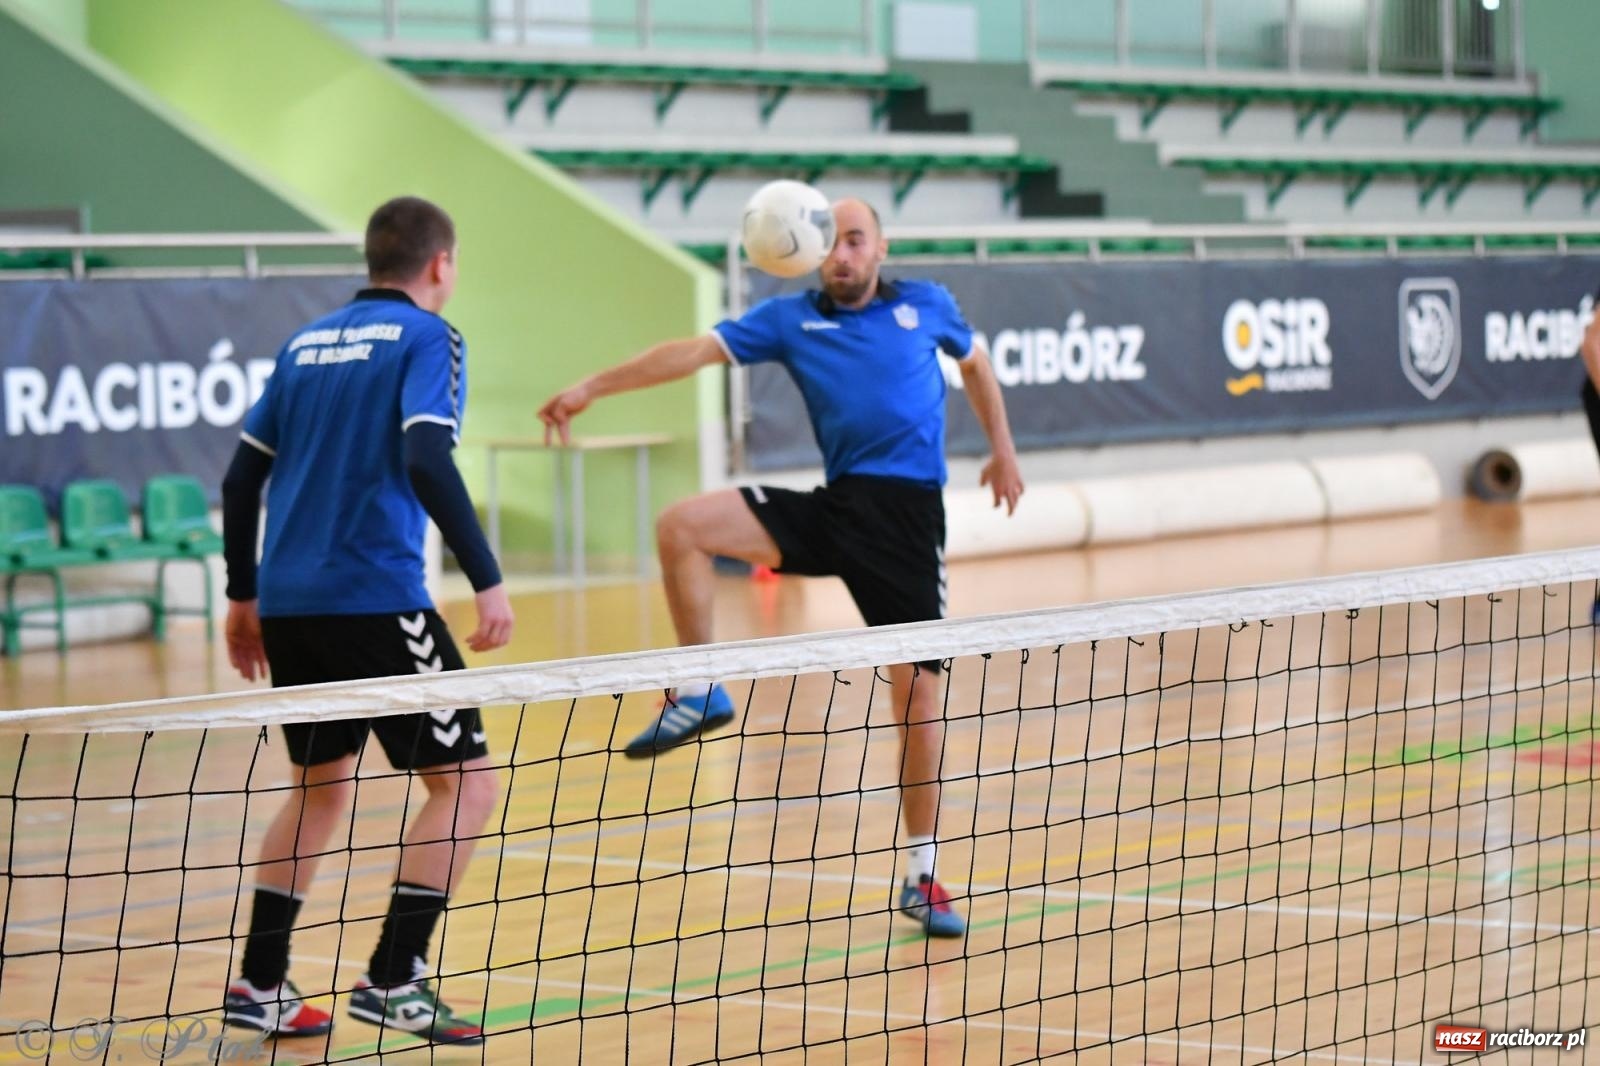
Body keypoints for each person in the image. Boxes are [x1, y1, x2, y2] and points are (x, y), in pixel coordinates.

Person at [536, 198, 1023, 938]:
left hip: (906, 524)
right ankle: (699, 687)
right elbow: (689, 353)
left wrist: (1003, 450)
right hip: (837, 507)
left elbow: (976, 366)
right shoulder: (789, 319)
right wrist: (591, 388)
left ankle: (923, 874)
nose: (842, 255)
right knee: (682, 527)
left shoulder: (929, 305)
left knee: (918, 702)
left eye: (856, 240)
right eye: (832, 243)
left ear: (881, 247)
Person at [219, 196, 514, 1043]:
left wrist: (243, 596)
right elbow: (426, 453)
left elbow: (240, 480)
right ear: (440, 263)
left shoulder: (305, 343)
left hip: (290, 606)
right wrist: (486, 577)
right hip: (376, 599)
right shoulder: (429, 337)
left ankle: (259, 982)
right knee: (466, 784)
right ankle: (394, 976)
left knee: (319, 788)